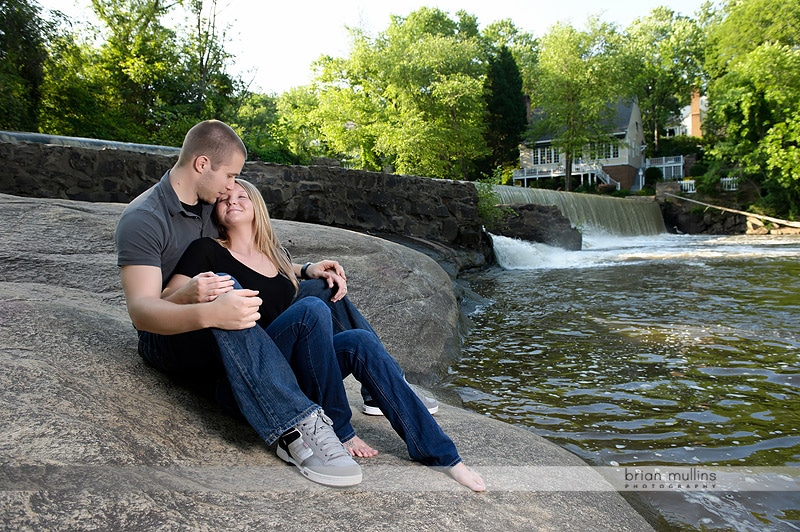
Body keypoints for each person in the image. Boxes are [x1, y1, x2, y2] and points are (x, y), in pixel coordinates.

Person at [164, 178, 486, 492]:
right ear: (215, 212)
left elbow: (278, 274)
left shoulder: (274, 256)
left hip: (292, 371)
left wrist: (309, 268)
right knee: (312, 310)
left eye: (241, 197)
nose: (231, 201)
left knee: (358, 340)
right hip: (250, 376)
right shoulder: (206, 250)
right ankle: (339, 427)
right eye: (223, 199)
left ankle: (443, 456)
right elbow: (167, 297)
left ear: (257, 207)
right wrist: (193, 290)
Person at [115, 119, 361, 487]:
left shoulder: (205, 201)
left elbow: (239, 254)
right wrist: (209, 310)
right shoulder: (144, 219)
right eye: (230, 175)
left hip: (219, 315)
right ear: (202, 165)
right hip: (170, 335)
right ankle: (294, 427)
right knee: (224, 287)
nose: (232, 186)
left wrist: (304, 268)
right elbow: (143, 312)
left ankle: (380, 373)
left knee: (321, 289)